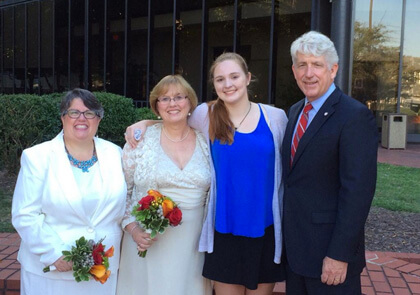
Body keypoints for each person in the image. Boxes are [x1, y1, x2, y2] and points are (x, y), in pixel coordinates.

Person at [125, 52, 288, 295]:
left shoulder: (276, 118)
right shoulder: (206, 115)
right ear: (214, 84)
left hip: (264, 229)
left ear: (248, 78)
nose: (228, 84)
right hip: (224, 231)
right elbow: (175, 119)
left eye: (234, 76)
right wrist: (145, 124)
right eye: (220, 79)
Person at [282, 31, 378, 295]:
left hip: (330, 256)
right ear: (294, 70)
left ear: (333, 69)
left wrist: (339, 254)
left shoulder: (354, 116)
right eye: (302, 64)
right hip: (297, 252)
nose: (309, 73)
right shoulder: (294, 112)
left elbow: (357, 192)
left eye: (317, 65)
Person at [12, 88, 126, 295]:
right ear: (63, 117)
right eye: (74, 112)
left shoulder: (115, 154)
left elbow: (126, 205)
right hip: (51, 270)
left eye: (89, 113)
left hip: (102, 271)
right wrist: (54, 253)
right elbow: (24, 215)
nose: (82, 118)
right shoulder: (37, 157)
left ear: (98, 119)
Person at [116, 75, 212, 295]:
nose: (172, 103)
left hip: (193, 245)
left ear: (190, 103)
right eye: (164, 99)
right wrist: (133, 229)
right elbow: (122, 193)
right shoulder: (139, 141)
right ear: (156, 105)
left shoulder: (205, 140)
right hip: (146, 240)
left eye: (179, 97)